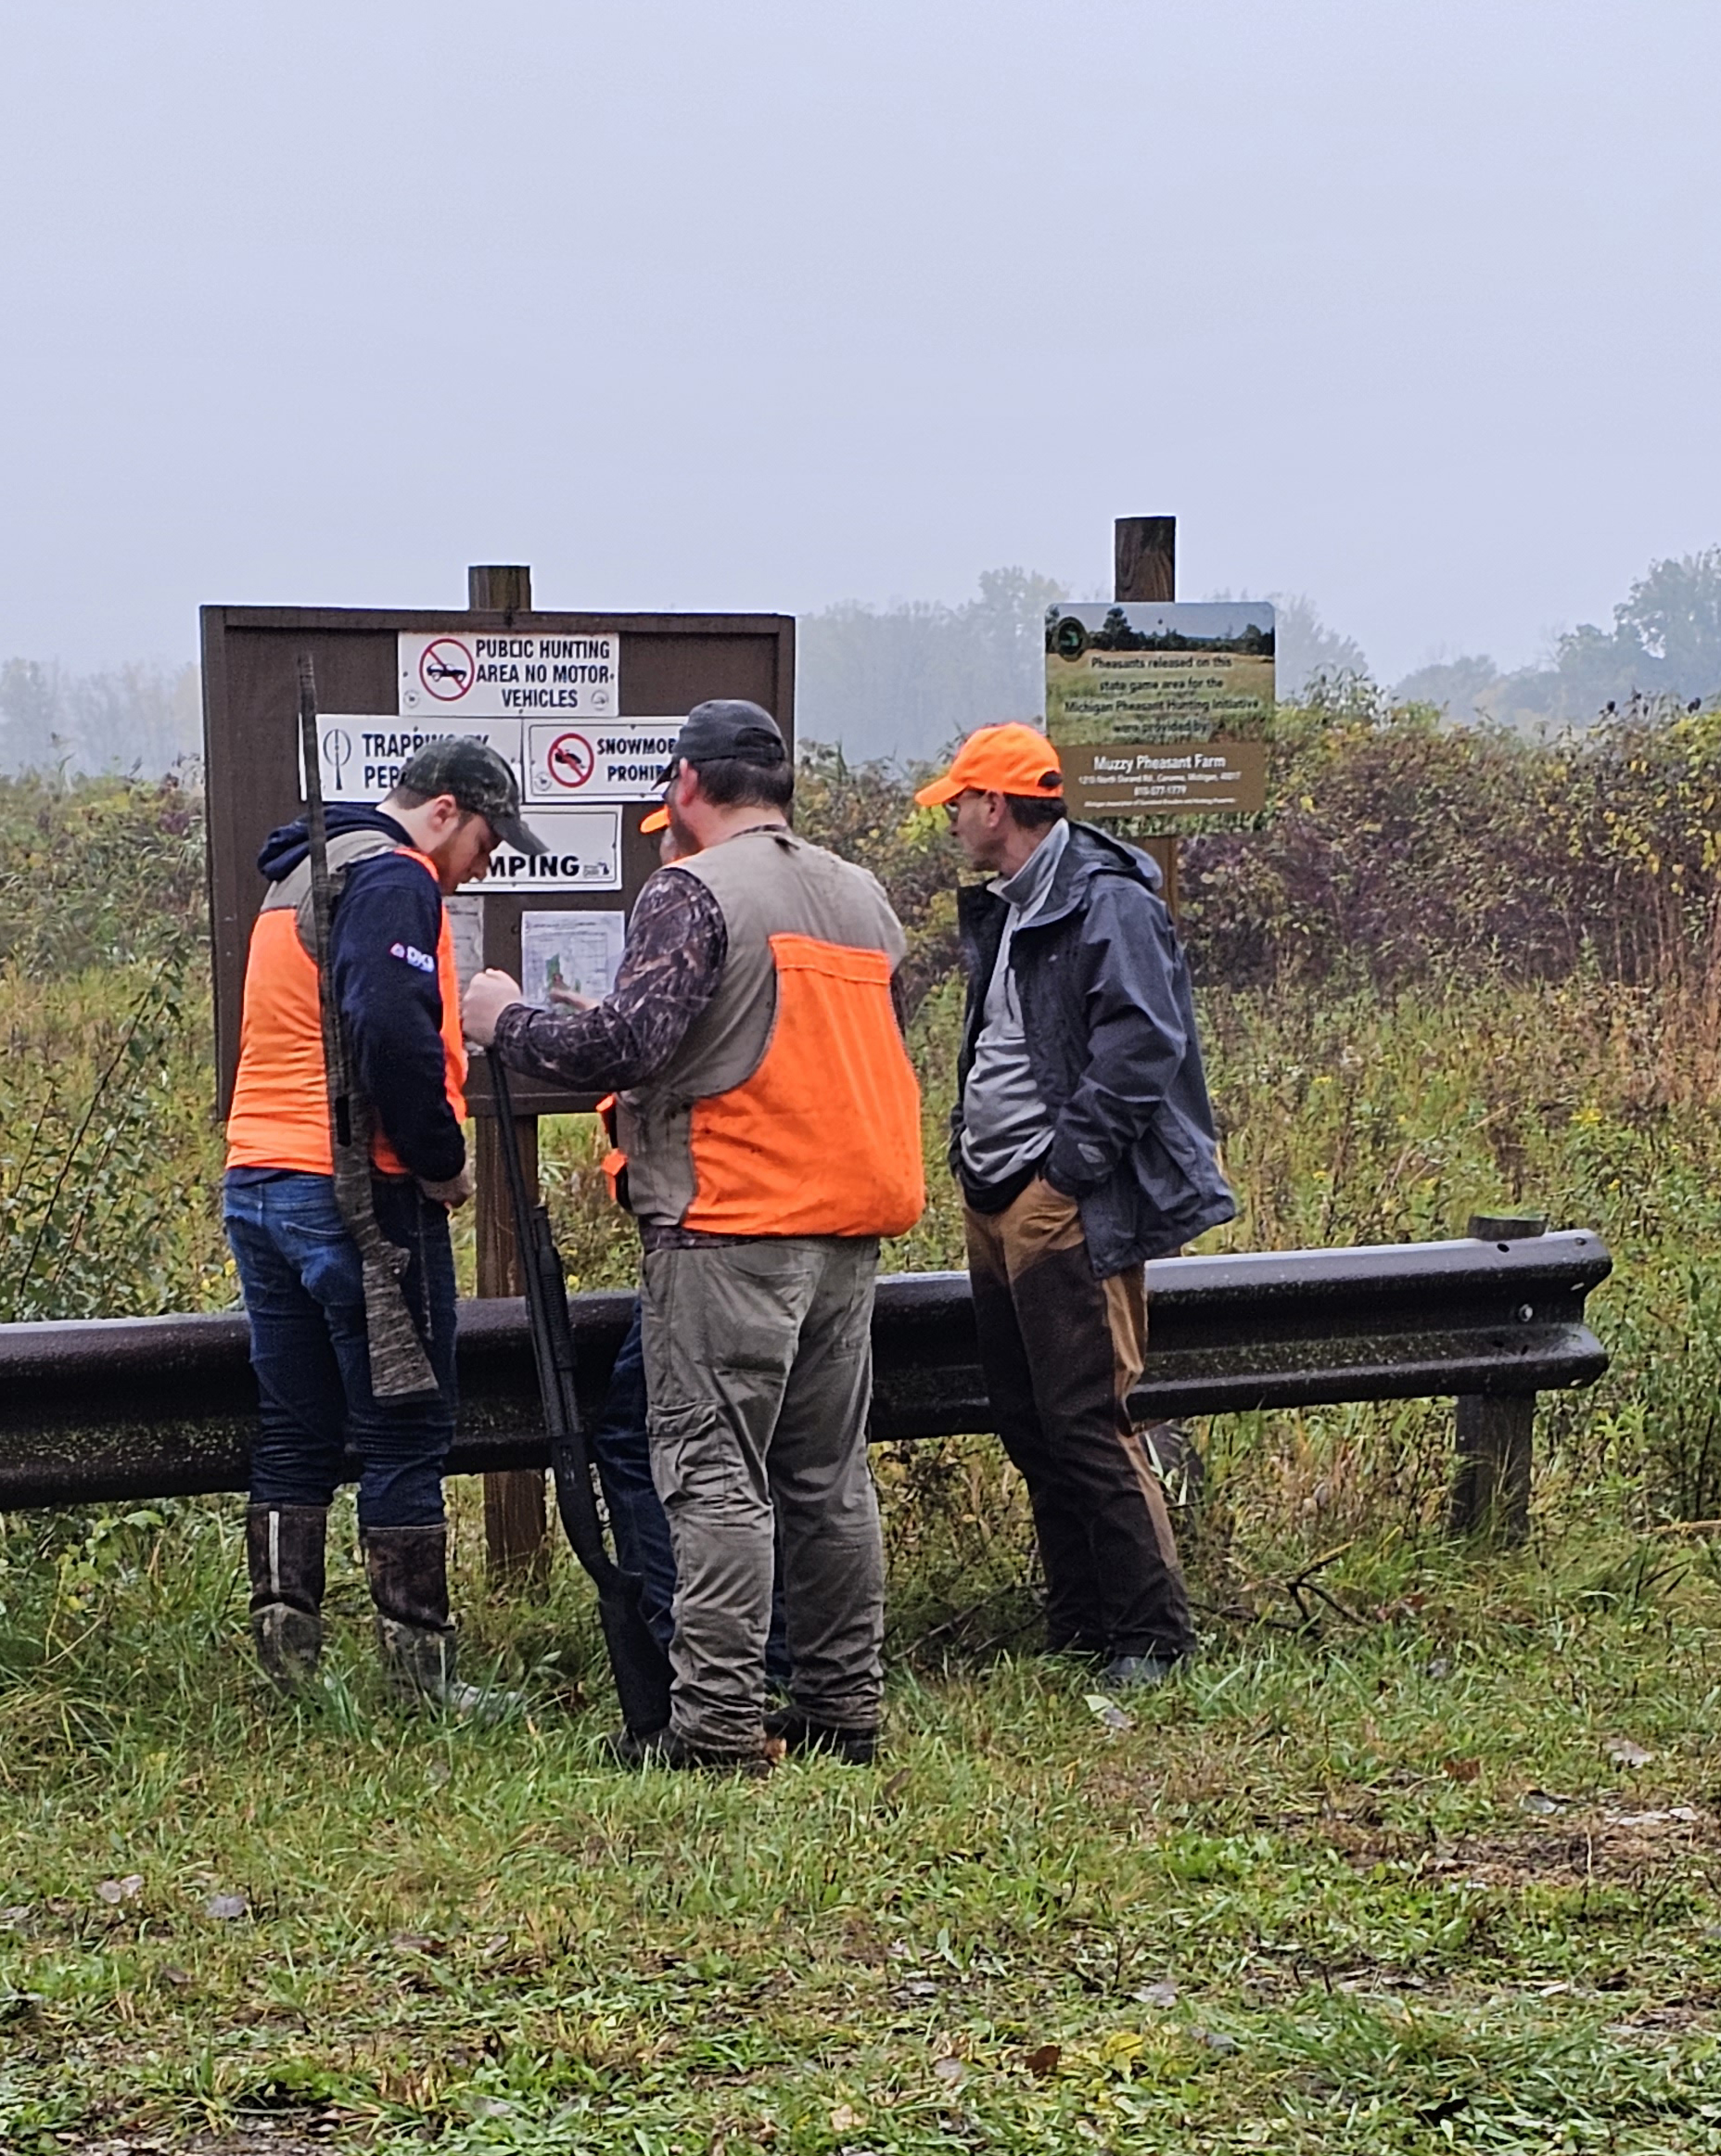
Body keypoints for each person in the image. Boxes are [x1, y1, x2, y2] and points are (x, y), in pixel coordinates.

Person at [465, 699, 924, 1771]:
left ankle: (714, 1731)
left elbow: (631, 1039)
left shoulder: (693, 888)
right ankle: (840, 1710)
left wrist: (502, 1018)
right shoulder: (860, 894)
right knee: (826, 1476)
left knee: (713, 1476)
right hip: (847, 1224)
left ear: (682, 783)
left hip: (729, 1223)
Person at [223, 738, 547, 1705]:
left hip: (261, 1178)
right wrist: (443, 1164)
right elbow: (390, 1029)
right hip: (358, 1194)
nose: (488, 861)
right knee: (407, 1427)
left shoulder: (304, 872)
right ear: (444, 810)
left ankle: (289, 1676)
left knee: (295, 1428)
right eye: (488, 838)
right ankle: (419, 1678)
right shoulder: (397, 876)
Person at [914, 722, 1234, 1689]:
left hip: (1057, 1198)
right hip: (996, 1187)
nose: (953, 820)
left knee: (1088, 1416)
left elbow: (1142, 1047)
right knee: (1026, 1417)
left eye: (959, 803)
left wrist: (1065, 1174)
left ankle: (1150, 1639)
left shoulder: (1104, 901)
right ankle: (1081, 1623)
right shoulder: (1012, 901)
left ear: (994, 806)